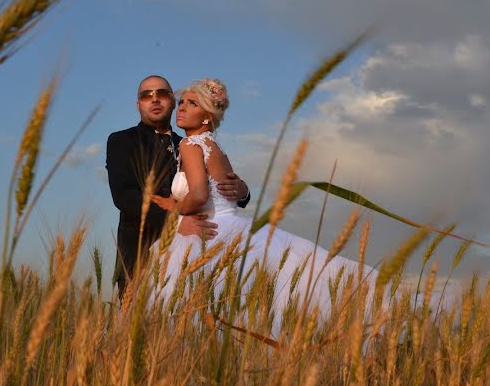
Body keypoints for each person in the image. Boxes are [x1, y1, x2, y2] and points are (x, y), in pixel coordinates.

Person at [150, 78, 376, 323]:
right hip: (235, 226)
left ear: (207, 116)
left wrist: (174, 209)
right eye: (181, 102)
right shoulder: (217, 149)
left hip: (208, 230)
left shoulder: (189, 144)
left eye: (192, 103)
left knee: (189, 302)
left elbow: (200, 195)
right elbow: (227, 190)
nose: (181, 107)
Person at [106, 75, 250, 296]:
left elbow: (217, 184)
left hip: (200, 250)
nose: (154, 100)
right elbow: (124, 196)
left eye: (162, 94)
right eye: (146, 95)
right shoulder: (121, 141)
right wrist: (175, 222)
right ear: (138, 105)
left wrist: (243, 191)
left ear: (172, 102)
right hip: (140, 253)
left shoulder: (190, 140)